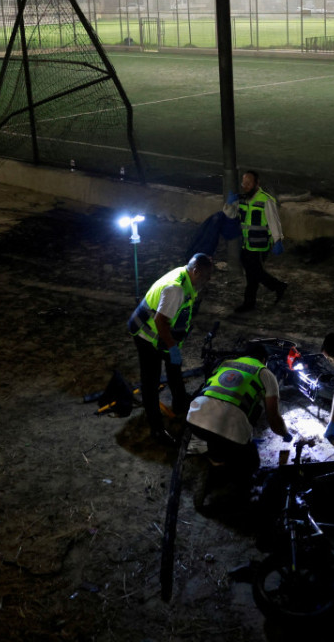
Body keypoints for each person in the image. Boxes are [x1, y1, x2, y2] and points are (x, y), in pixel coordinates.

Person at [186, 342, 291, 511]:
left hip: (195, 419)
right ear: (264, 359)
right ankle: (240, 495)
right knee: (251, 462)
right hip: (231, 431)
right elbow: (273, 418)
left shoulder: (225, 363)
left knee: (215, 437)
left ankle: (216, 466)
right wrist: (285, 433)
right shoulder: (265, 373)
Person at [127, 253, 214, 444]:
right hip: (147, 336)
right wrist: (172, 347)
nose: (207, 281)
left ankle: (180, 401)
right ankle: (156, 429)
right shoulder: (176, 288)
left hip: (161, 336)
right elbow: (160, 321)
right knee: (150, 382)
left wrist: (173, 346)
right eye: (206, 276)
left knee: (174, 366)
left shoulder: (186, 277)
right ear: (196, 271)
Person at [225, 170, 287, 313]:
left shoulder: (266, 200)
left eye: (248, 183)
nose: (245, 186)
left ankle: (250, 302)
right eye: (243, 183)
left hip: (259, 246)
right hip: (246, 244)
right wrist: (229, 204)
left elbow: (274, 221)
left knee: (253, 274)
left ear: (257, 184)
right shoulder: (242, 199)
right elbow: (230, 215)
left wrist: (278, 240)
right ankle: (277, 287)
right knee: (254, 274)